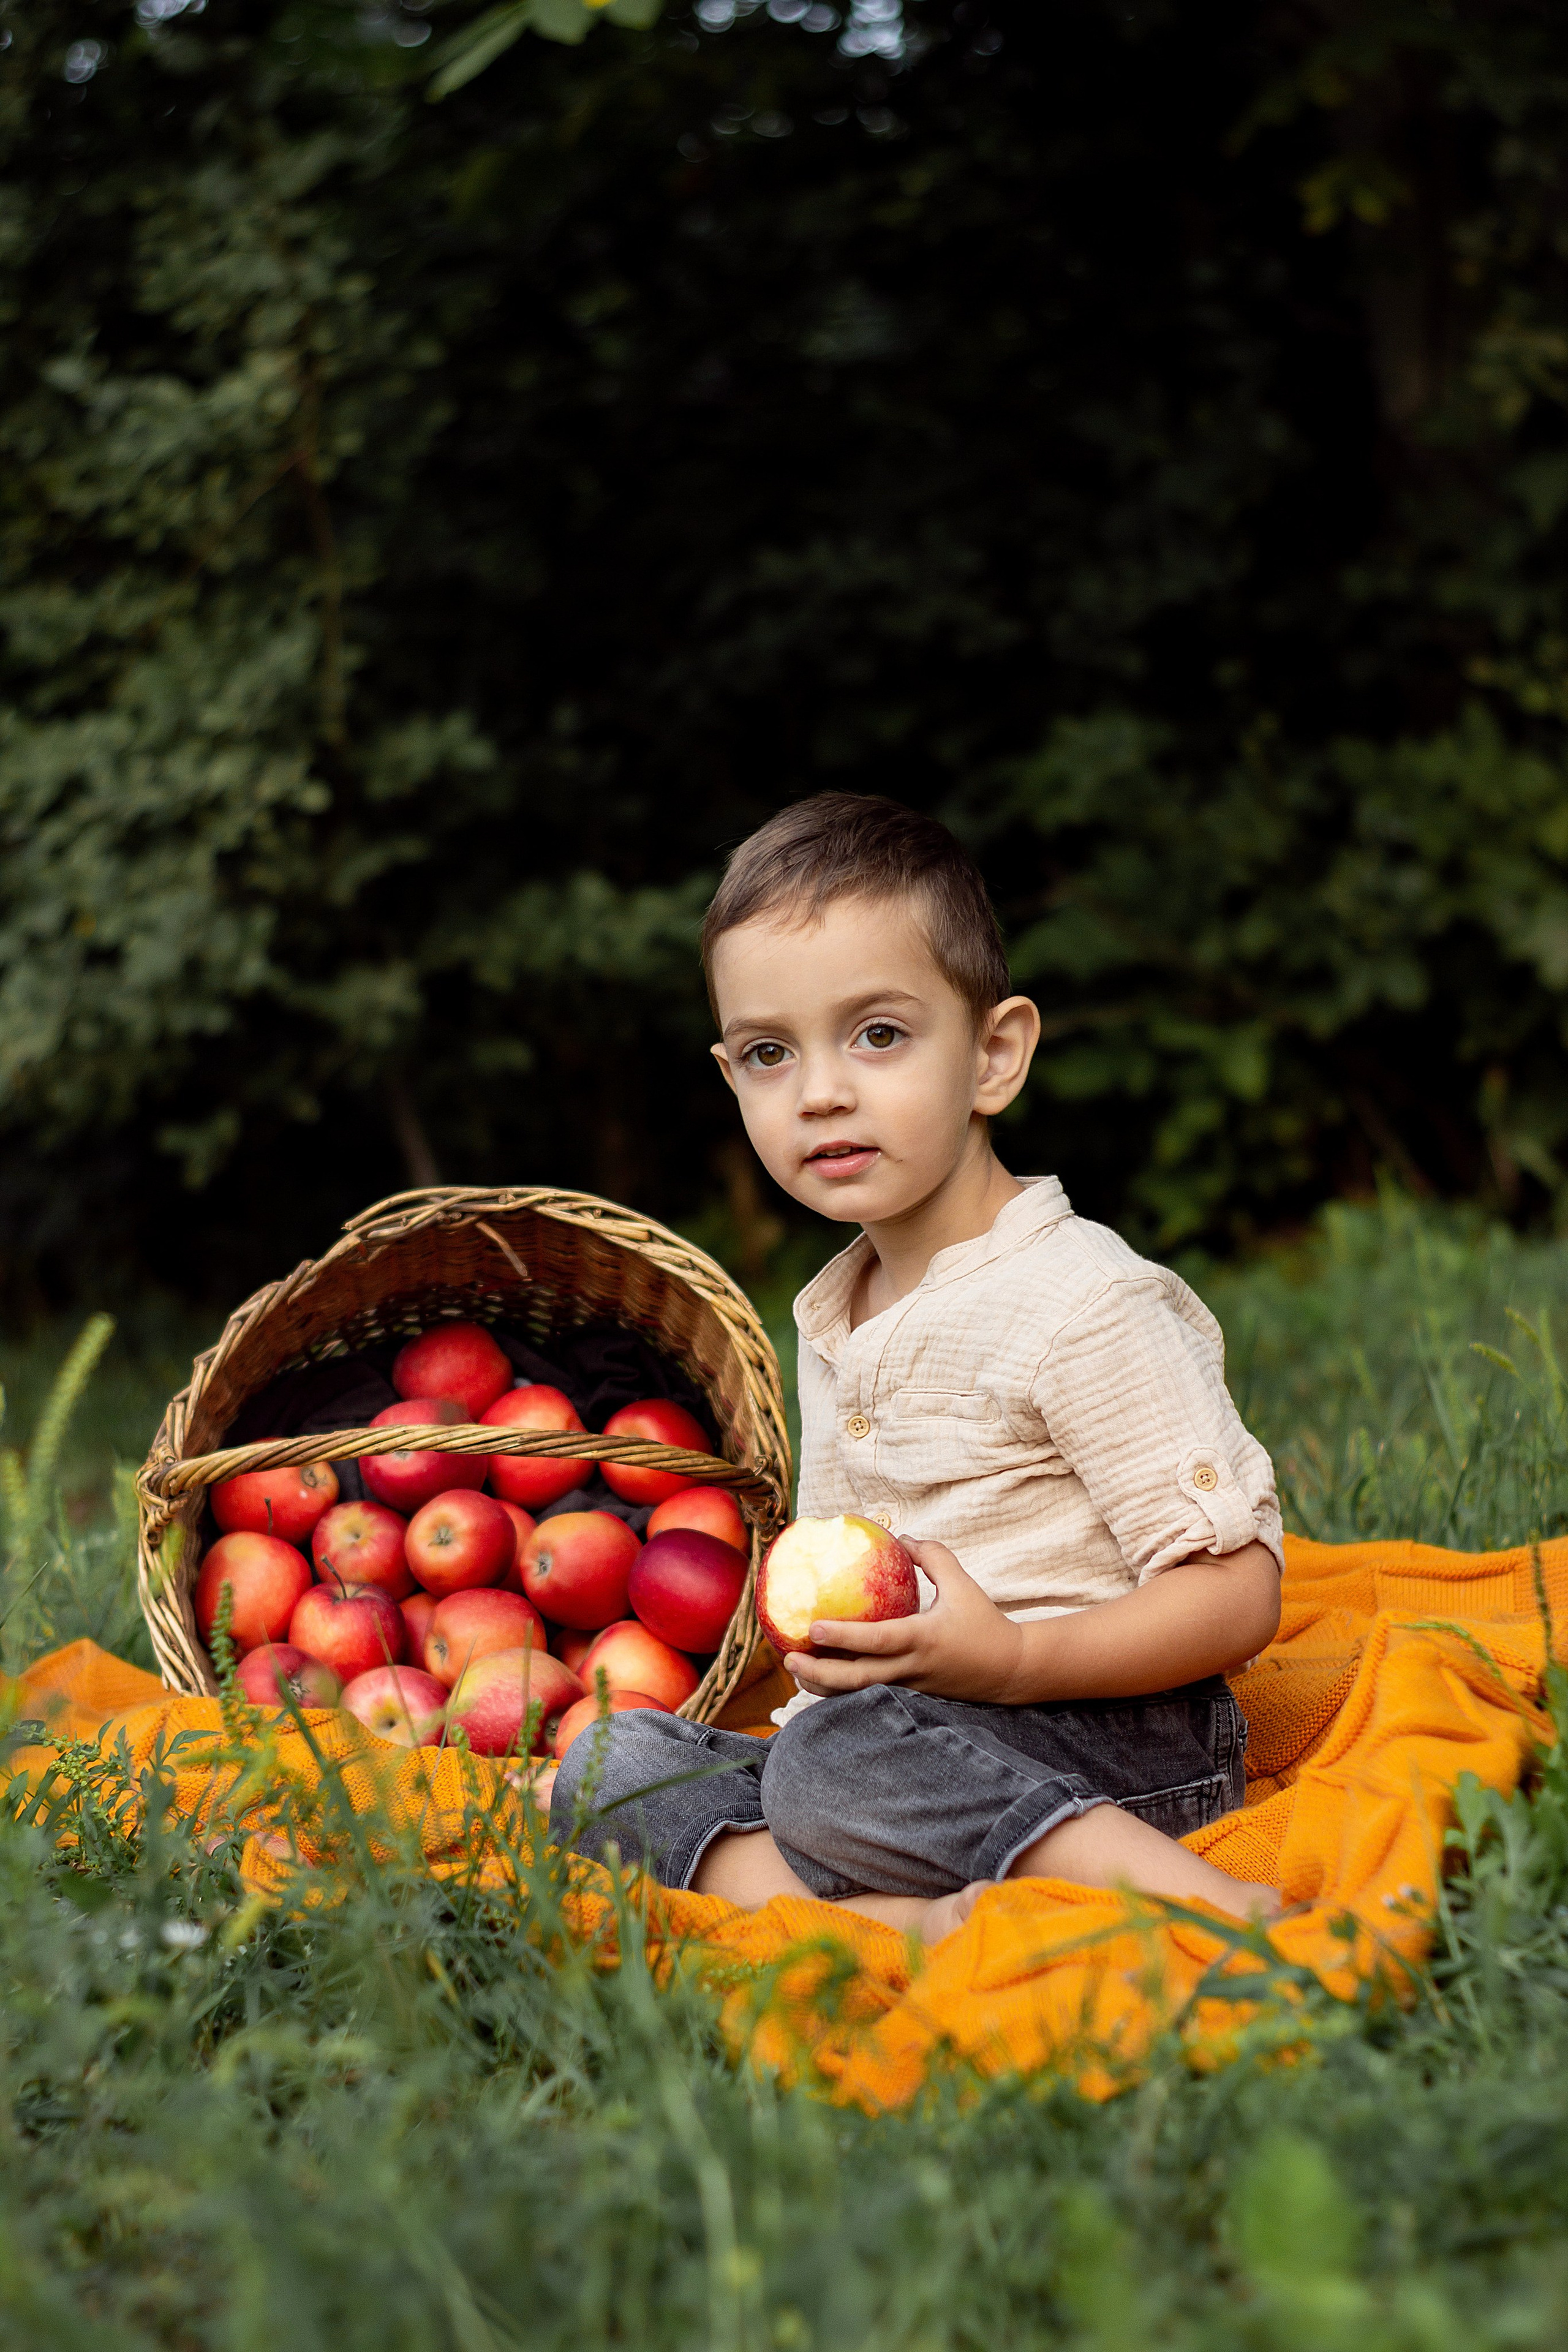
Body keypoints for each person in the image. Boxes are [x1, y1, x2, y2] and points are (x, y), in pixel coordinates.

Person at [551, 794, 1283, 1942]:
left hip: (1113, 1736)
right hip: (902, 1743)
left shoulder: (1080, 1298)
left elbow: (1239, 1594)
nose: (822, 1091)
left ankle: (1202, 1901)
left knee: (833, 1766)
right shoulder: (836, 1307)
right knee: (608, 1763)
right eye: (768, 1053)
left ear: (995, 1054)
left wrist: (1011, 1661)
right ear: (730, 1078)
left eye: (878, 1034)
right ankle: (919, 1918)